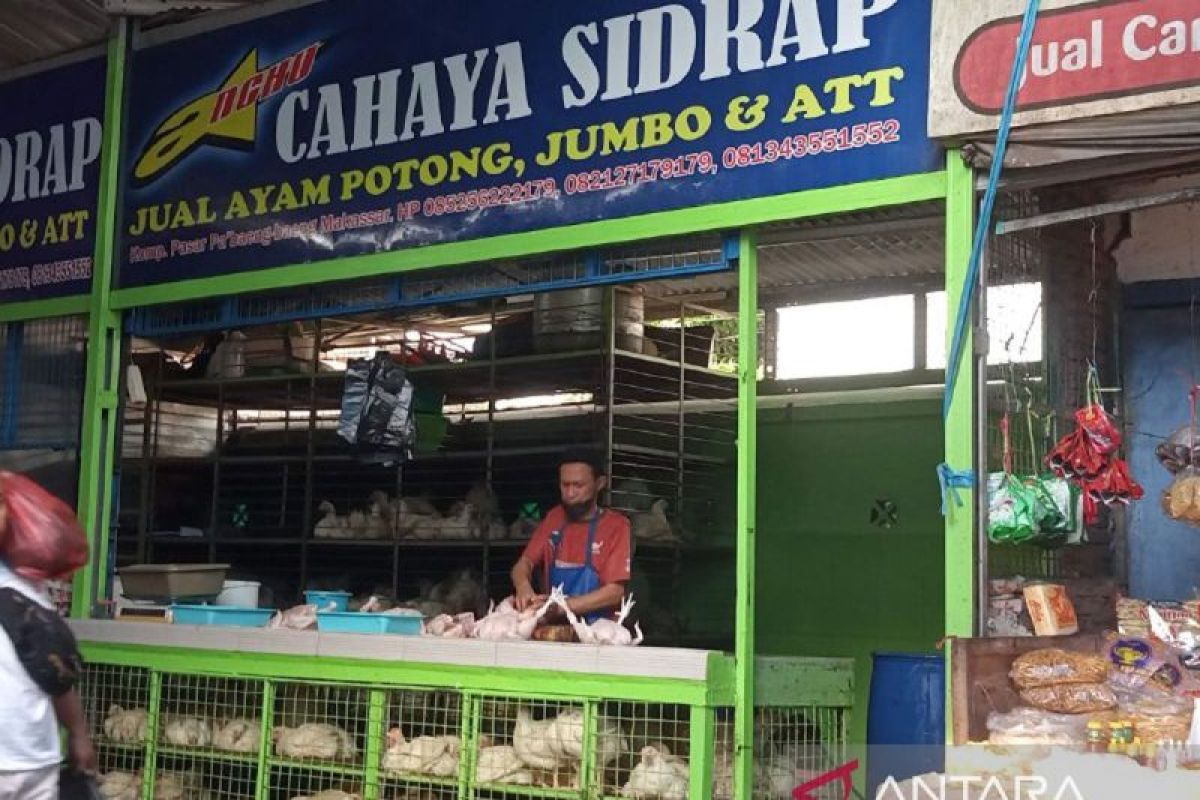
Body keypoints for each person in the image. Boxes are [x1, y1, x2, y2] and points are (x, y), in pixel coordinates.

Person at [0, 497, 96, 799]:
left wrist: (79, 734)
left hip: (30, 759)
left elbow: (57, 677)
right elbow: (58, 677)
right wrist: (79, 734)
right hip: (35, 759)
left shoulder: (26, 596)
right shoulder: (30, 598)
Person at [510, 447, 631, 623]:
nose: (570, 494)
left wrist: (561, 607)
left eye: (578, 485)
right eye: (565, 485)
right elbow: (524, 563)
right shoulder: (554, 518)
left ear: (600, 483)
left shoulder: (617, 526)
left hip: (599, 633)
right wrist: (523, 586)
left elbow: (615, 593)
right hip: (554, 627)